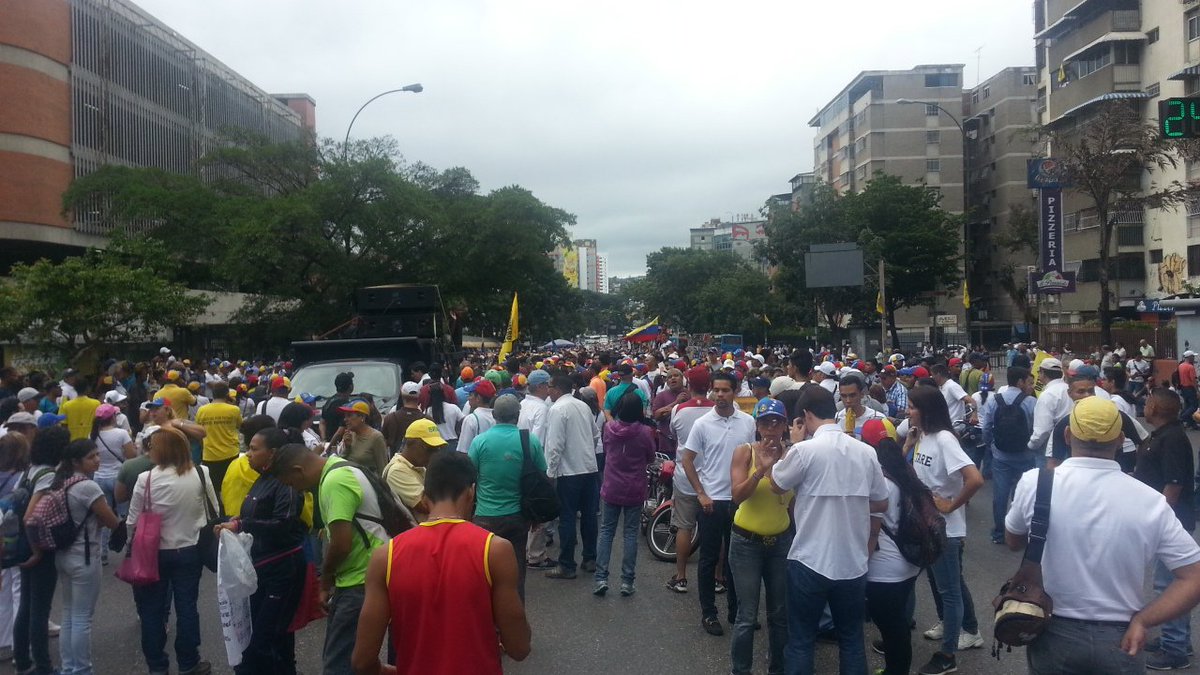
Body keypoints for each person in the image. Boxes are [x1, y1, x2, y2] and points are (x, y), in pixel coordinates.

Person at [1005, 396, 1200, 674]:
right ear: (1121, 440)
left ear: (1067, 435)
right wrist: (1144, 621)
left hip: (1052, 629)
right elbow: (1194, 577)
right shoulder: (1150, 500)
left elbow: (1013, 541)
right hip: (1122, 638)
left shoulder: (1036, 483)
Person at [350, 452, 531, 675]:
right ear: (471, 492)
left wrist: (387, 670)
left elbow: (362, 659)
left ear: (425, 497)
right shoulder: (494, 550)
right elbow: (519, 647)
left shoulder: (385, 555)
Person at [766, 385, 888, 675]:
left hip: (810, 559)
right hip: (852, 562)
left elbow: (775, 484)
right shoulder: (865, 452)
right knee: (852, 640)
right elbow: (881, 502)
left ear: (805, 416)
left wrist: (794, 444)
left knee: (801, 641)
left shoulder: (805, 451)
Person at [267, 440, 395, 675]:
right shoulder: (341, 466)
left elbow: (341, 543)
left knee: (339, 662)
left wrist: (325, 579)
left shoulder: (333, 482)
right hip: (371, 570)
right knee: (356, 657)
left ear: (298, 471)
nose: (297, 490)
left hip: (360, 578)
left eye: (292, 484)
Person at [214, 429, 308, 675]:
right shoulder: (262, 478)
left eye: (254, 449)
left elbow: (285, 523)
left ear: (273, 453)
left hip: (282, 569)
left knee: (268, 639)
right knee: (269, 636)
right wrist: (240, 519)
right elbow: (260, 515)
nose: (247, 454)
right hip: (263, 568)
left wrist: (242, 524)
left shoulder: (285, 482)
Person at [905, 386, 985, 675]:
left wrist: (951, 505)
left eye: (913, 407)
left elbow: (974, 479)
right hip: (927, 526)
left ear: (926, 410)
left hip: (945, 530)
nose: (907, 411)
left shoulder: (944, 439)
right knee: (947, 584)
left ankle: (948, 654)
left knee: (949, 590)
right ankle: (964, 627)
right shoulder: (922, 437)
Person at [125, 426, 217, 675]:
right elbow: (213, 510)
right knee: (187, 606)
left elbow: (132, 520)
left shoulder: (147, 479)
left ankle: (157, 666)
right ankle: (188, 662)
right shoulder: (200, 472)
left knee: (152, 611)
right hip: (190, 549)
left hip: (154, 553)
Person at [680, 371, 755, 636]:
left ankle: (737, 611)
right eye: (717, 390)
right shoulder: (703, 424)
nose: (721, 395)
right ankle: (709, 613)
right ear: (711, 391)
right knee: (709, 559)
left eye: (726, 390)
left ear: (735, 392)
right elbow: (687, 459)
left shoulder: (747, 422)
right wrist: (700, 492)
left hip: (739, 501)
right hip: (712, 501)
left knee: (738, 560)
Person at [727, 399, 793, 675]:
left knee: (779, 614)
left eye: (777, 422)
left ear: (785, 425)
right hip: (746, 543)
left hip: (780, 543)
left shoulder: (794, 455)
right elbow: (737, 496)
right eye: (765, 422)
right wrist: (761, 470)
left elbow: (794, 504)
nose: (771, 428)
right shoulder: (745, 452)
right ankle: (740, 670)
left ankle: (776, 668)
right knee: (746, 615)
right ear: (756, 425)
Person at [1135, 389, 1196, 670]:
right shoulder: (1161, 435)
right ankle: (1177, 639)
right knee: (1167, 583)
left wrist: (1154, 518)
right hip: (1165, 518)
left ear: (1156, 407)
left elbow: (1173, 486)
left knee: (1169, 585)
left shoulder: (1172, 439)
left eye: (1148, 401)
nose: (1144, 405)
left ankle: (1175, 648)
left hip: (1171, 520)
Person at [861, 419, 923, 675]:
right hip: (908, 562)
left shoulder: (878, 480)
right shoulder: (903, 471)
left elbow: (866, 522)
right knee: (897, 625)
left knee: (891, 628)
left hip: (884, 568)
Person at [53, 438, 120, 675]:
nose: (97, 460)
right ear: (76, 461)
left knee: (69, 614)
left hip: (63, 555)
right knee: (82, 617)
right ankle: (82, 668)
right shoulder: (88, 487)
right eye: (91, 457)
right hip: (85, 556)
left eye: (97, 455)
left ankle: (69, 666)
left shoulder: (60, 482)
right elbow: (111, 520)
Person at [13, 425, 67, 675]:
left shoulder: (29, 470)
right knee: (40, 608)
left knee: (26, 604)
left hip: (22, 544)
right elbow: (31, 517)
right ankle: (43, 666)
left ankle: (23, 661)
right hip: (37, 545)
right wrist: (37, 550)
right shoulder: (46, 475)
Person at [593, 391, 656, 597]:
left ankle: (601, 577)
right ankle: (627, 581)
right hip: (635, 487)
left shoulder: (609, 428)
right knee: (630, 534)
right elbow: (650, 456)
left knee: (606, 532)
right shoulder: (645, 432)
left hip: (611, 486)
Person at [543, 377, 601, 580]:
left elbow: (554, 445)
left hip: (569, 472)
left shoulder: (558, 409)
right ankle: (590, 558)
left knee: (567, 518)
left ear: (558, 389)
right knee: (589, 516)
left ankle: (567, 564)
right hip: (588, 468)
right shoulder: (583, 406)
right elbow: (595, 435)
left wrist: (550, 472)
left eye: (550, 387)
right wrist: (587, 452)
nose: (548, 391)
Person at [665, 366, 716, 593]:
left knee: (684, 526)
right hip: (713, 479)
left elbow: (674, 436)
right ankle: (718, 577)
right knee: (716, 530)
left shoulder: (678, 410)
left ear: (688, 384)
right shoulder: (720, 410)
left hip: (685, 477)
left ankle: (681, 576)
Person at [977, 366, 1037, 544]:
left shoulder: (994, 401)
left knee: (1000, 496)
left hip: (1001, 456)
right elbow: (1036, 429)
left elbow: (986, 428)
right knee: (1022, 495)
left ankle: (999, 533)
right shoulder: (1031, 402)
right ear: (1020, 382)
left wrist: (991, 445)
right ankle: (1020, 531)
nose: (1030, 385)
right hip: (1025, 455)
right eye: (1028, 381)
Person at [91, 403, 135, 561]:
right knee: (126, 515)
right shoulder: (121, 433)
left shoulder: (93, 435)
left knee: (104, 516)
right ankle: (129, 548)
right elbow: (131, 456)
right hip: (119, 477)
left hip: (99, 478)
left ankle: (103, 553)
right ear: (113, 417)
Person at [0, 434, 29, 663]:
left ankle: (4, 640)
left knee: (3, 588)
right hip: (17, 538)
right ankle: (21, 644)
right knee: (20, 587)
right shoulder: (22, 477)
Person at [383, 418, 446, 522]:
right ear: (411, 443)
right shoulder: (397, 471)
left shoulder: (418, 467)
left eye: (437, 449)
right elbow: (427, 505)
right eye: (429, 449)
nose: (433, 454)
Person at [194, 382, 242, 498]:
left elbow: (199, 432)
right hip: (231, 453)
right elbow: (239, 426)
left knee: (213, 491)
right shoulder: (234, 409)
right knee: (230, 488)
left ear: (213, 394)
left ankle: (217, 513)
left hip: (210, 455)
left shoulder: (202, 410)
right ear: (227, 394)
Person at [335, 400, 388, 476]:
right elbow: (342, 462)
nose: (345, 419)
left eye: (349, 416)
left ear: (362, 417)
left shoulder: (376, 437)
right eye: (345, 416)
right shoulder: (350, 435)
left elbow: (383, 468)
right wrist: (347, 447)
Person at [835, 373, 886, 440]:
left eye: (852, 395)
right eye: (844, 396)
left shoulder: (877, 418)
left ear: (861, 394)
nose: (848, 400)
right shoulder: (837, 418)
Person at [382, 382, 428, 454]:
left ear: (402, 396)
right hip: (421, 463)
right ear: (419, 396)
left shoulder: (390, 418)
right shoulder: (427, 420)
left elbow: (383, 443)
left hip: (397, 462)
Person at [456, 380, 497, 453]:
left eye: (470, 395)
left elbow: (463, 450)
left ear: (478, 398)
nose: (468, 398)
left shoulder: (470, 419)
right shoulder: (497, 417)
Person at [319, 371, 356, 442]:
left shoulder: (329, 401)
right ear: (351, 387)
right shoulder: (345, 405)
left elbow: (322, 423)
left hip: (328, 442)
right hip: (339, 445)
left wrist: (324, 440)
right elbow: (340, 431)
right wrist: (330, 447)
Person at [1178, 351, 1199, 429]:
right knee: (1194, 406)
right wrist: (1197, 391)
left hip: (1184, 388)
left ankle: (1191, 423)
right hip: (1190, 388)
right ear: (1189, 357)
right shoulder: (1190, 367)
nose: (1194, 358)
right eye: (1193, 357)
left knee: (1188, 406)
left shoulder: (1181, 366)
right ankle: (1181, 418)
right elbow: (1193, 380)